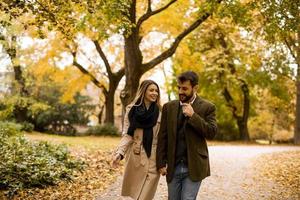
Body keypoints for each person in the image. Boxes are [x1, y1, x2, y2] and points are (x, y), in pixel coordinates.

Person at [156, 71, 218, 200]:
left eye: (185, 88)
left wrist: (193, 116)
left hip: (194, 166)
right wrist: (161, 163)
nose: (180, 91)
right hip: (173, 166)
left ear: (195, 88)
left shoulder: (208, 107)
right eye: (179, 87)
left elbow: (211, 132)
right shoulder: (169, 107)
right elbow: (163, 136)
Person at [112, 80, 162, 200]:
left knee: (146, 195)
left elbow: (163, 138)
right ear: (143, 91)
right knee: (137, 194)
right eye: (151, 90)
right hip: (136, 155)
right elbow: (127, 135)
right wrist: (120, 153)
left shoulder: (161, 112)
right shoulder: (131, 110)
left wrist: (165, 160)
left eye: (156, 91)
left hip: (153, 157)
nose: (154, 93)